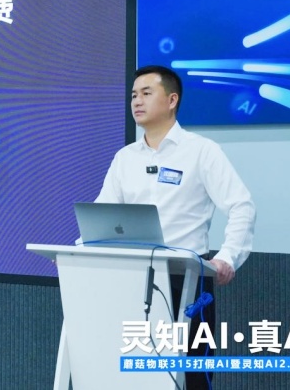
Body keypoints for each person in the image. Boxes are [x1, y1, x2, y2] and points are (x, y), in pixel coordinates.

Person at [95, 65, 256, 390]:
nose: (136, 101)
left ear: (172, 100)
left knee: (191, 376)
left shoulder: (201, 151)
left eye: (146, 93)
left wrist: (228, 257)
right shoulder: (125, 158)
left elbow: (242, 205)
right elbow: (102, 215)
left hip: (187, 279)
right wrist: (80, 248)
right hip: (132, 278)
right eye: (133, 95)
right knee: (135, 374)